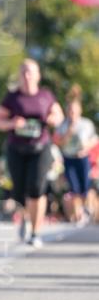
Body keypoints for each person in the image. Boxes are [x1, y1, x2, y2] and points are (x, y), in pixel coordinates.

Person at [0, 59, 64, 248]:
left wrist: (53, 118)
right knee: (20, 190)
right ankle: (25, 217)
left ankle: (35, 232)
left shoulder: (45, 96)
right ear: (19, 75)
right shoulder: (13, 98)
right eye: (23, 71)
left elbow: (59, 115)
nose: (26, 75)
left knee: (37, 188)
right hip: (17, 149)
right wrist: (12, 124)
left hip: (40, 148)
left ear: (38, 75)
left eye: (30, 72)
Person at [55, 85, 97, 225]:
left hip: (83, 158)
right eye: (70, 110)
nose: (72, 113)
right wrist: (69, 130)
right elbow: (59, 142)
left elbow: (95, 139)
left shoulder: (86, 124)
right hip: (69, 158)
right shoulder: (63, 125)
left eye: (75, 110)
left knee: (85, 187)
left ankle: (86, 210)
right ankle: (78, 214)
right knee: (73, 188)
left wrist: (87, 148)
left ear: (80, 110)